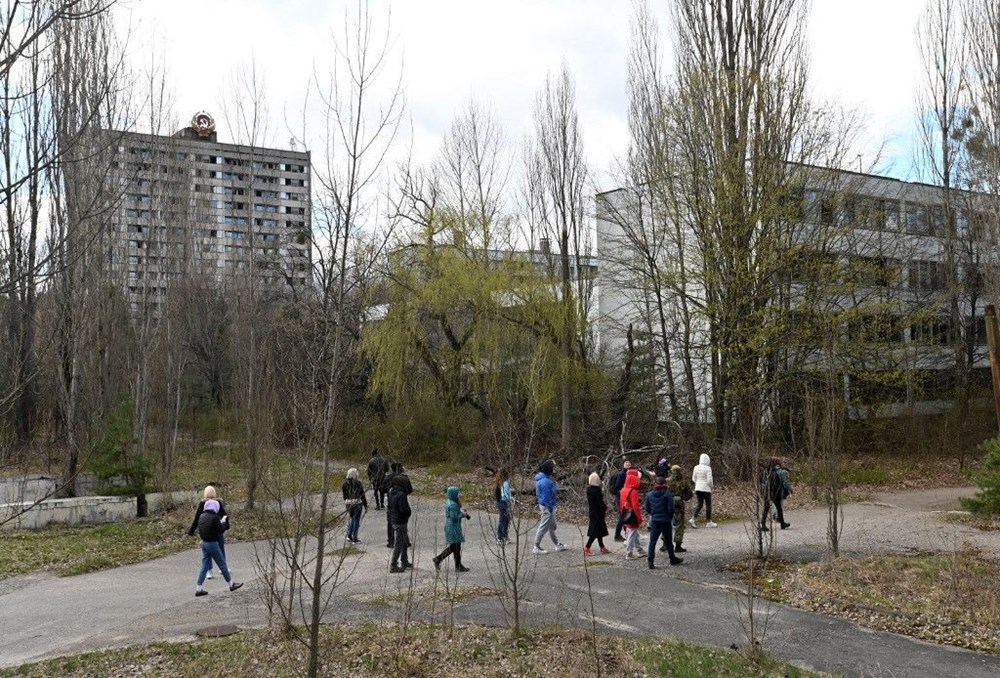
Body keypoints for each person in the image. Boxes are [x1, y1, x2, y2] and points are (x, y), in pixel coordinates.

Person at [194, 499, 243, 596]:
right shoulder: (215, 517)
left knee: (204, 566)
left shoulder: (201, 516)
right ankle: (231, 584)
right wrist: (224, 521)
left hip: (204, 543)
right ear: (215, 507)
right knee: (222, 564)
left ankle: (199, 589)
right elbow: (220, 530)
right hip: (212, 543)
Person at [188, 485, 227, 580]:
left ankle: (209, 571)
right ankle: (223, 568)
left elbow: (197, 518)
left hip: (207, 531)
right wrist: (226, 525)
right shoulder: (218, 502)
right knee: (221, 548)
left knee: (208, 551)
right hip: (218, 529)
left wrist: (191, 530)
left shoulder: (203, 503)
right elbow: (224, 515)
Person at [645, 475, 683, 568]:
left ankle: (650, 561)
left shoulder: (649, 495)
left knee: (652, 541)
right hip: (665, 520)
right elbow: (671, 509)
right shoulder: (667, 494)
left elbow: (647, 508)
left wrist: (653, 514)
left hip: (654, 520)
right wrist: (669, 517)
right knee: (668, 541)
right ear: (664, 484)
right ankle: (672, 558)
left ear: (655, 484)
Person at [532, 459, 567, 554]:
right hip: (547, 506)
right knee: (544, 526)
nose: (554, 470)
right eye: (552, 468)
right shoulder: (545, 481)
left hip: (547, 506)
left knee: (552, 526)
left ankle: (557, 544)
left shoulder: (545, 479)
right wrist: (550, 508)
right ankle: (536, 546)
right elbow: (547, 497)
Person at [433, 486, 471, 572]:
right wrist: (463, 515)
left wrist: (460, 511)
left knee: (456, 546)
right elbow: (454, 518)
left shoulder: (449, 501)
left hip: (450, 526)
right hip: (453, 527)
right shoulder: (453, 505)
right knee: (455, 546)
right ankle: (438, 559)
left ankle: (458, 565)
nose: (458, 495)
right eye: (457, 493)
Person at [664, 464, 693, 553]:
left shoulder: (667, 481)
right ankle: (678, 545)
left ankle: (665, 544)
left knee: (666, 523)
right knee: (679, 524)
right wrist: (683, 497)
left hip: (667, 503)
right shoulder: (683, 482)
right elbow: (689, 494)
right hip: (679, 503)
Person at [384, 462, 413, 548]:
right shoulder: (405, 478)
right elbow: (410, 490)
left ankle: (391, 541)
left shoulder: (388, 477)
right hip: (402, 500)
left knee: (390, 522)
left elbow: (383, 488)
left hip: (390, 501)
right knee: (403, 521)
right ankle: (405, 541)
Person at [387, 474, 412, 573]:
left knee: (405, 541)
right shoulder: (401, 494)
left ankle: (404, 560)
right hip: (401, 521)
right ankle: (393, 564)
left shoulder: (391, 492)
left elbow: (390, 506)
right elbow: (404, 509)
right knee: (399, 543)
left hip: (394, 519)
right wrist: (408, 513)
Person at [761, 457, 792, 531]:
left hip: (767, 492)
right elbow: (785, 483)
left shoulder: (766, 471)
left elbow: (762, 481)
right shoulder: (781, 471)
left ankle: (763, 524)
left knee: (766, 508)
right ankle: (782, 524)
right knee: (779, 508)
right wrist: (790, 489)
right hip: (776, 492)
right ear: (778, 463)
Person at [620, 468, 644, 559]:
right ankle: (629, 553)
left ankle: (640, 550)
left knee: (633, 533)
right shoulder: (633, 491)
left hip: (626, 514)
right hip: (632, 515)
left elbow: (622, 504)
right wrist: (639, 518)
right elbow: (635, 506)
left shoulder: (623, 489)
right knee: (632, 533)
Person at [584, 472, 610, 555]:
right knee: (595, 530)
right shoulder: (597, 490)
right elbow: (599, 502)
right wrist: (605, 507)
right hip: (598, 512)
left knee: (599, 530)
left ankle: (602, 546)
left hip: (592, 511)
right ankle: (587, 547)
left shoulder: (588, 490)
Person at [342, 467, 368, 543]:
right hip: (357, 503)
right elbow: (362, 495)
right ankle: (354, 537)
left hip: (348, 503)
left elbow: (344, 496)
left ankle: (349, 535)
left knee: (351, 519)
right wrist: (365, 505)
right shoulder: (358, 483)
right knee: (356, 520)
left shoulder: (344, 484)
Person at [690, 453, 717, 528]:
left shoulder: (696, 467)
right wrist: (711, 487)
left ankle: (693, 518)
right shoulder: (708, 468)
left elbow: (693, 479)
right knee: (708, 505)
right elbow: (709, 480)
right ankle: (709, 522)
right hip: (706, 489)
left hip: (698, 488)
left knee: (700, 504)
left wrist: (698, 483)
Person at [609, 460, 631, 542]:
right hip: (620, 498)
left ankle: (627, 534)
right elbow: (618, 487)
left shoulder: (628, 473)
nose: (628, 464)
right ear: (623, 465)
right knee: (622, 516)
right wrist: (624, 493)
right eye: (626, 463)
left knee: (625, 515)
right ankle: (617, 536)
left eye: (629, 463)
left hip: (623, 497)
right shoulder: (622, 474)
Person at [494, 468, 512, 544]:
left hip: (499, 502)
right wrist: (509, 500)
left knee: (505, 519)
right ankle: (501, 537)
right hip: (503, 502)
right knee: (503, 520)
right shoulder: (505, 483)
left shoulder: (499, 482)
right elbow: (506, 494)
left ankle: (503, 535)